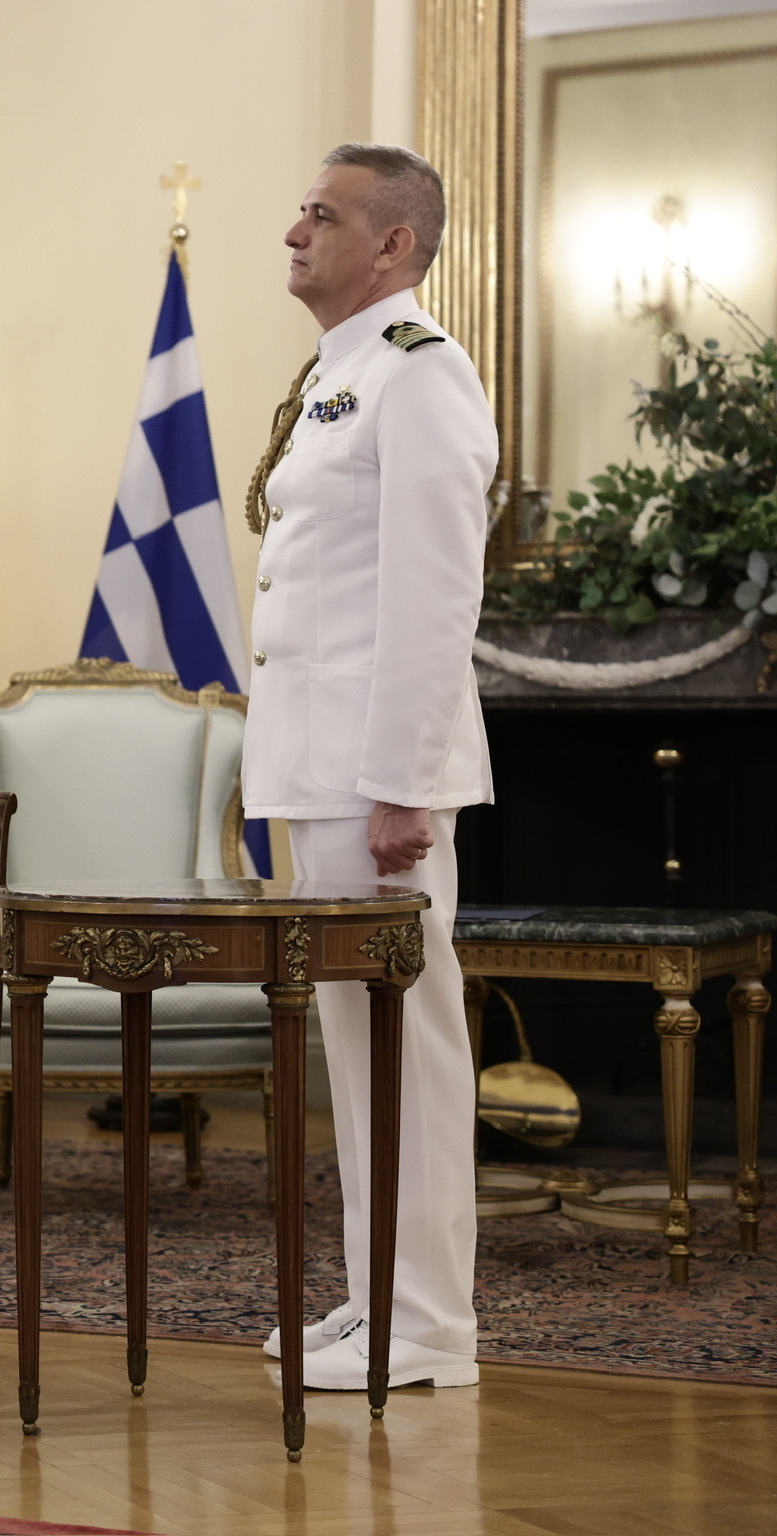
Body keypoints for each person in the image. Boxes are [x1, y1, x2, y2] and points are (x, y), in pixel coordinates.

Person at [241, 144, 496, 1393]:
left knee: (407, 1047)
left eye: (323, 215)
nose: (295, 232)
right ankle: (379, 1300)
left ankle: (431, 1329)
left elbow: (434, 599)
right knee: (358, 1050)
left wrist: (404, 781)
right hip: (322, 766)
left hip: (374, 778)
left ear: (393, 243)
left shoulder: (419, 372)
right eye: (301, 212)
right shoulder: (340, 373)